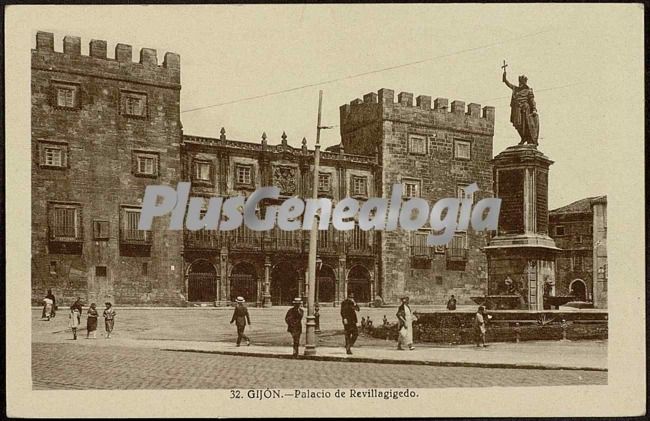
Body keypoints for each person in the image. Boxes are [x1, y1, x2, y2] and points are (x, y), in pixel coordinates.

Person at [502, 70, 539, 145]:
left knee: (525, 125)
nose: (520, 84)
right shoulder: (516, 89)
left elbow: (532, 101)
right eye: (520, 82)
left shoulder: (528, 90)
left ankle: (527, 138)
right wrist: (505, 78)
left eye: (522, 82)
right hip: (517, 109)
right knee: (517, 124)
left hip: (525, 109)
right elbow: (509, 84)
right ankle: (523, 137)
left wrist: (534, 109)